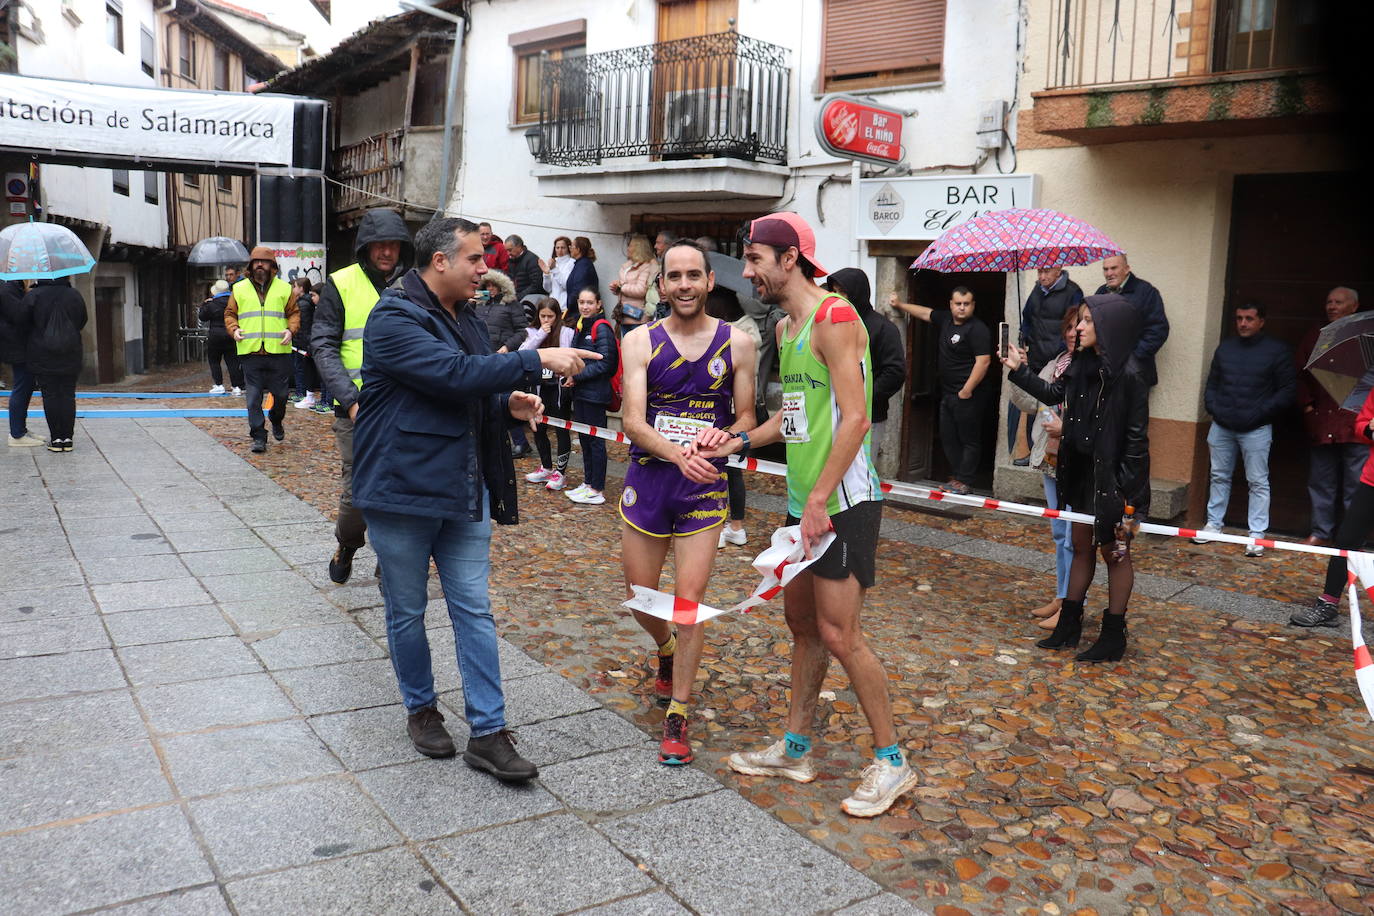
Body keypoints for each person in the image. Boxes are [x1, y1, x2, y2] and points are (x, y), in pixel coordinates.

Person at [350, 216, 596, 776]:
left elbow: (469, 388)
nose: (485, 270)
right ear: (440, 262)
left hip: (463, 486)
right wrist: (536, 359)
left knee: (474, 610)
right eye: (475, 260)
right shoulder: (393, 316)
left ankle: (488, 731)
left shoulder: (468, 318)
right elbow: (451, 374)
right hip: (401, 490)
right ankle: (421, 708)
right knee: (407, 610)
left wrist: (506, 403)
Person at [703, 212, 914, 819]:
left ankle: (893, 762)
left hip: (843, 501)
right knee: (801, 627)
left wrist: (820, 497)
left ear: (789, 258)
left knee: (840, 634)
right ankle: (796, 747)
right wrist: (737, 443)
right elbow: (793, 418)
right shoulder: (789, 327)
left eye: (754, 261)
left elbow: (855, 417)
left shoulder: (836, 317)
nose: (747, 273)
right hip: (805, 502)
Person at [619, 239, 756, 765]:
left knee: (690, 603)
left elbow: (746, 416)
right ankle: (667, 648)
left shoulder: (739, 344)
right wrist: (678, 453)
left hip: (704, 486)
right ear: (662, 285)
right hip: (651, 478)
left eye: (692, 276)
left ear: (709, 282)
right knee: (639, 595)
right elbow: (632, 419)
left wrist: (723, 440)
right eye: (673, 276)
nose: (683, 285)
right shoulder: (639, 342)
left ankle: (678, 715)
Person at [1003, 294, 1150, 663]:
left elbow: (1136, 441)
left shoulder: (1131, 375)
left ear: (1108, 327)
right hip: (1082, 473)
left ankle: (1113, 635)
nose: (1078, 328)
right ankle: (1069, 625)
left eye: (1087, 321)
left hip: (1112, 480)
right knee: (1080, 545)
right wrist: (1020, 369)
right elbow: (1053, 393)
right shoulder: (1080, 363)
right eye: (1079, 320)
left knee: (1115, 554)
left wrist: (1127, 496)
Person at [312, 208, 414, 585]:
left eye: (393, 245)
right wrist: (350, 400)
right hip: (355, 407)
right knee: (357, 493)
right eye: (379, 245)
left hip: (404, 406)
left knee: (400, 487)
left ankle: (388, 557)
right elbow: (323, 344)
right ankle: (348, 543)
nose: (387, 252)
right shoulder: (341, 283)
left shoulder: (414, 283)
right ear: (366, 247)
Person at [1196, 302, 1296, 556]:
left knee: (1258, 481)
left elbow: (1287, 391)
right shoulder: (1226, 348)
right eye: (1239, 318)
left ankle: (1256, 535)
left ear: (1261, 321)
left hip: (1256, 428)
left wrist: (1259, 413)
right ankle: (1213, 525)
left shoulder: (1277, 350)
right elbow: (1212, 383)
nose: (1243, 323)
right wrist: (1215, 409)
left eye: (1249, 318)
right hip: (1222, 425)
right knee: (1218, 476)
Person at [1007, 305, 1081, 630]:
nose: (1072, 333)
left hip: (1074, 457)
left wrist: (1066, 428)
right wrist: (1019, 370)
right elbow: (1027, 402)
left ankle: (1072, 603)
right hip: (1049, 456)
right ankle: (1061, 596)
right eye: (1069, 327)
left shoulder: (1090, 369)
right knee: (1058, 532)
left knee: (1072, 536)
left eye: (1079, 327)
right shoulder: (1055, 364)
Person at [889, 287, 993, 495]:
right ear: (951, 304)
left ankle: (964, 481)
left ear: (972, 305)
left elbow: (984, 361)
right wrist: (900, 305)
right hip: (947, 393)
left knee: (969, 440)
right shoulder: (945, 319)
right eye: (958, 303)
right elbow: (925, 313)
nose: (962, 308)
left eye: (966, 304)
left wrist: (966, 390)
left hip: (968, 395)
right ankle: (957, 477)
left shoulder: (978, 329)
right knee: (948, 437)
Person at [1292, 385, 1374, 628]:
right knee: (1346, 540)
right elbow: (1359, 426)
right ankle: (1327, 604)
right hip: (1371, 480)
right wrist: (1369, 428)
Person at [1296, 286, 1363, 546]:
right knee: (1321, 482)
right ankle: (1321, 533)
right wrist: (1307, 408)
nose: (1332, 306)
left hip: (1356, 425)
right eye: (1329, 301)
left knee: (1355, 488)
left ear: (1354, 307)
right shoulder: (1317, 336)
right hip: (1322, 422)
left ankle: (1350, 539)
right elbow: (1299, 375)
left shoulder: (1366, 337)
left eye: (1338, 302)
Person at [226, 247, 300, 454]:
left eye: (264, 262)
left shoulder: (284, 289)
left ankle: (276, 419)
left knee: (281, 395)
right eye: (256, 261)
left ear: (272, 266)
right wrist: (234, 329)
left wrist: (290, 330)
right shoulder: (239, 289)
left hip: (279, 352)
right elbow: (230, 314)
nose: (260, 265)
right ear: (251, 265)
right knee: (253, 397)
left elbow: (294, 313)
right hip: (251, 353)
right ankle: (258, 436)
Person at [826, 269, 904, 460]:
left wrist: (860, 397)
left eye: (842, 292)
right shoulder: (829, 324)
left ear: (857, 292)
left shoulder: (884, 328)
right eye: (833, 292)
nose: (837, 297)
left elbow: (895, 372)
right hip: (829, 414)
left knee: (861, 473)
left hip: (869, 416)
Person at [1015, 267, 1084, 462]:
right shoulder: (1037, 291)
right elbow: (1027, 319)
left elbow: (1073, 324)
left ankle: (1052, 452)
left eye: (1046, 272)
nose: (1042, 276)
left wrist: (1059, 352)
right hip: (1037, 361)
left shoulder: (1073, 291)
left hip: (1057, 361)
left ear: (1058, 271)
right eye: (1039, 272)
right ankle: (1034, 450)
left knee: (1055, 409)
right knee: (1036, 408)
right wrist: (1025, 342)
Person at [22, 278, 87, 452]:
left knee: (50, 395)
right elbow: (82, 320)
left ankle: (56, 438)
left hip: (42, 353)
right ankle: (68, 438)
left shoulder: (33, 296)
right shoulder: (74, 295)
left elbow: (23, 323)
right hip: (70, 352)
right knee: (67, 394)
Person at [565, 288, 617, 505]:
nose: (585, 307)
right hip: (582, 393)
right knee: (585, 439)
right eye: (582, 302)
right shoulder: (580, 326)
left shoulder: (601, 327)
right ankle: (588, 483)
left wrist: (577, 376)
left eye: (589, 303)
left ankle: (597, 489)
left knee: (595, 441)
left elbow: (607, 363)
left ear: (598, 305)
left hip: (595, 394)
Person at [476, 270, 532, 458]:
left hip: (503, 357)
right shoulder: (478, 305)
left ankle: (520, 442)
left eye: (494, 285)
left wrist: (508, 347)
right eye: (487, 285)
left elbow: (523, 330)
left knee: (505, 397)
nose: (491, 289)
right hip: (483, 357)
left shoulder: (511, 304)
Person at [521, 298, 575, 491]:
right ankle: (546, 466)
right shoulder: (532, 332)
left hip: (559, 387)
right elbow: (522, 353)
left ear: (557, 316)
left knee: (561, 428)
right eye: (542, 316)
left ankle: (560, 472)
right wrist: (539, 336)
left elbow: (569, 355)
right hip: (539, 387)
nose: (546, 320)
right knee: (539, 427)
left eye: (550, 316)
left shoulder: (567, 332)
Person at [1095, 255, 1168, 387]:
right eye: (1105, 269)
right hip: (1105, 371)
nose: (1109, 273)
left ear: (1126, 269)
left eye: (1114, 268)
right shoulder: (1101, 292)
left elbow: (1158, 330)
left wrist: (1133, 359)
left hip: (1135, 373)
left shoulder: (1146, 292)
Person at [1, 279, 44, 447]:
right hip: (16, 344)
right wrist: (30, 298)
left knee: (25, 386)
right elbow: (19, 315)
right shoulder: (7, 287)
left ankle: (21, 429)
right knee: (22, 386)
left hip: (17, 343)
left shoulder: (13, 285)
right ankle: (17, 434)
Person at [198, 280, 244, 397]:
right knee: (233, 361)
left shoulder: (211, 304)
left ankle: (219, 385)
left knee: (214, 360)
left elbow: (202, 317)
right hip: (231, 333)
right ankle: (236, 386)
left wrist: (204, 304)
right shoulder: (235, 303)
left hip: (215, 335)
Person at [611, 234, 657, 337]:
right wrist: (616, 288)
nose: (628, 248)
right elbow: (624, 287)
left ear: (639, 248)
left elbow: (641, 290)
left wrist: (621, 287)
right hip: (624, 314)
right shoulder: (627, 265)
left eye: (631, 246)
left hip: (638, 316)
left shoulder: (646, 266)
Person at [290, 278, 324, 410]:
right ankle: (305, 394)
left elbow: (304, 326)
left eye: (295, 287)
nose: (293, 289)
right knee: (302, 368)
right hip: (304, 342)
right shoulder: (303, 303)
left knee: (304, 369)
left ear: (301, 288)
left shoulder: (304, 305)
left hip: (305, 343)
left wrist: (304, 343)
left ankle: (306, 394)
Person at [565, 236, 599, 314]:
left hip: (580, 312)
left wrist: (570, 305)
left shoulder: (583, 266)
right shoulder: (580, 264)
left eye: (572, 246)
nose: (570, 248)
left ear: (578, 249)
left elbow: (578, 289)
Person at [540, 236, 575, 312]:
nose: (560, 250)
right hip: (552, 306)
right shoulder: (553, 262)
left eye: (563, 248)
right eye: (557, 247)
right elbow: (548, 289)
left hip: (565, 307)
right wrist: (546, 275)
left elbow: (566, 285)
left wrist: (554, 270)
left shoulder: (571, 263)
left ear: (568, 248)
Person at [504, 234, 543, 303]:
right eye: (506, 251)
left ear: (519, 247)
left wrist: (518, 297)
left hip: (529, 298)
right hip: (515, 297)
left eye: (510, 250)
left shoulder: (532, 260)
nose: (508, 253)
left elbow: (536, 285)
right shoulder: (510, 260)